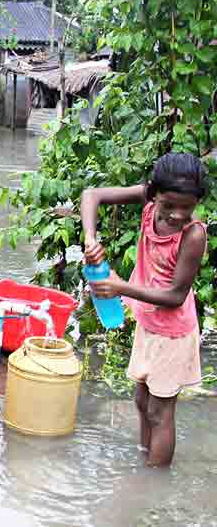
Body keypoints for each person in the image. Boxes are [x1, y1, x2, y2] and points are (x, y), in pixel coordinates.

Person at [81, 152, 209, 467]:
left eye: (187, 207)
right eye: (169, 206)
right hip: (149, 324)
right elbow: (91, 195)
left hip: (174, 333)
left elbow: (176, 295)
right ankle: (145, 460)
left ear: (196, 203)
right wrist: (90, 239)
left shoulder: (193, 234)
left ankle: (154, 479)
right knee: (141, 401)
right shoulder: (148, 201)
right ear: (153, 193)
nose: (178, 215)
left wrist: (120, 287)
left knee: (160, 411)